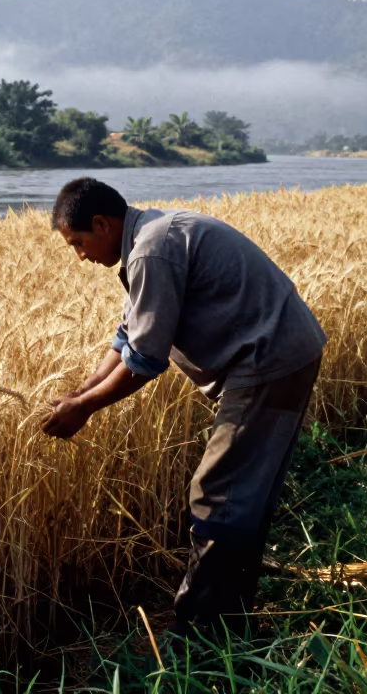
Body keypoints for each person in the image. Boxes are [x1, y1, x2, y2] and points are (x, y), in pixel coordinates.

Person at [41, 177, 326, 634]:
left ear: (102, 223)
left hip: (267, 360)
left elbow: (146, 360)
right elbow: (128, 335)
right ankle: (230, 616)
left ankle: (200, 628)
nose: (79, 256)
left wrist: (85, 407)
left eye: (78, 243)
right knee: (244, 494)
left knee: (219, 493)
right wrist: (81, 390)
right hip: (280, 352)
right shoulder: (149, 236)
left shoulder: (152, 250)